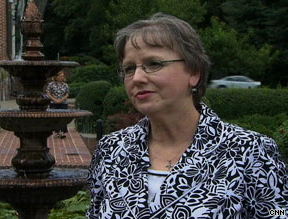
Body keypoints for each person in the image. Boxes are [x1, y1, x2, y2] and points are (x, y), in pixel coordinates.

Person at [87, 13, 288, 218]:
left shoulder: (250, 151)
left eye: (154, 63)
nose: (137, 77)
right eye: (129, 68)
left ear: (194, 73)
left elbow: (277, 211)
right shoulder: (111, 150)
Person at [46, 70, 69, 138]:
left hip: (63, 103)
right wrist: (54, 99)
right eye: (60, 76)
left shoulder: (65, 85)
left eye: (63, 76)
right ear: (56, 77)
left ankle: (62, 132)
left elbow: (67, 94)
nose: (62, 77)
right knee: (55, 117)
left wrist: (62, 100)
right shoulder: (51, 84)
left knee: (63, 117)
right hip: (53, 103)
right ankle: (57, 131)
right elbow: (48, 93)